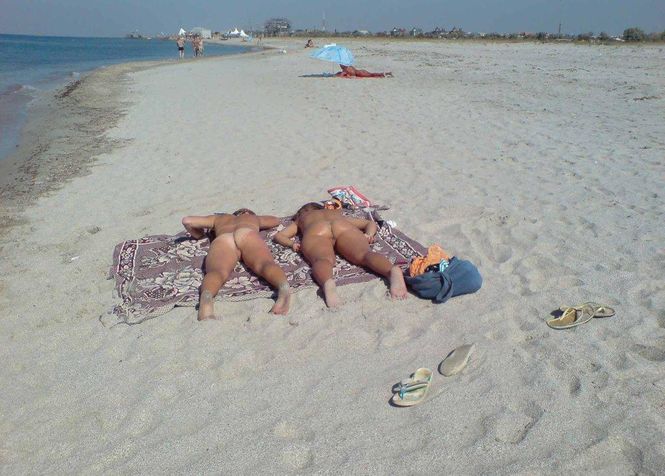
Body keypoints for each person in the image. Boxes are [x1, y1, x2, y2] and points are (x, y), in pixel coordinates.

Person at [273, 203, 407, 308]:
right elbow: (369, 223)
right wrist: (369, 235)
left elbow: (279, 236)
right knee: (365, 254)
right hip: (341, 226)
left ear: (301, 213)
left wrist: (292, 244)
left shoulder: (301, 219)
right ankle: (392, 271)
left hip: (316, 230)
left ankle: (328, 283)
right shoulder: (335, 213)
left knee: (322, 259)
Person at [182, 208, 291, 320]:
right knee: (264, 264)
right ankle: (283, 288)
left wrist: (199, 235)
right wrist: (256, 219)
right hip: (246, 233)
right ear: (247, 213)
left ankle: (207, 297)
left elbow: (187, 221)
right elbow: (275, 221)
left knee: (217, 271)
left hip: (223, 238)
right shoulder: (252, 217)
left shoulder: (219, 218)